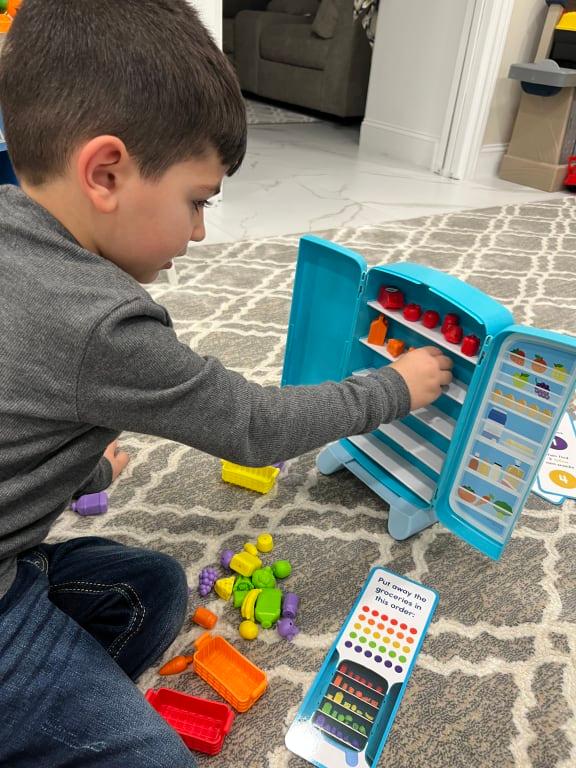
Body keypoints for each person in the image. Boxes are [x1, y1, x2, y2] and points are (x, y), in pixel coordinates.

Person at [0, 1, 453, 765]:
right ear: (106, 172)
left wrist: (76, 467)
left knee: (151, 591)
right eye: (196, 202)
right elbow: (254, 426)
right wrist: (393, 389)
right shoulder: (105, 324)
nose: (201, 232)